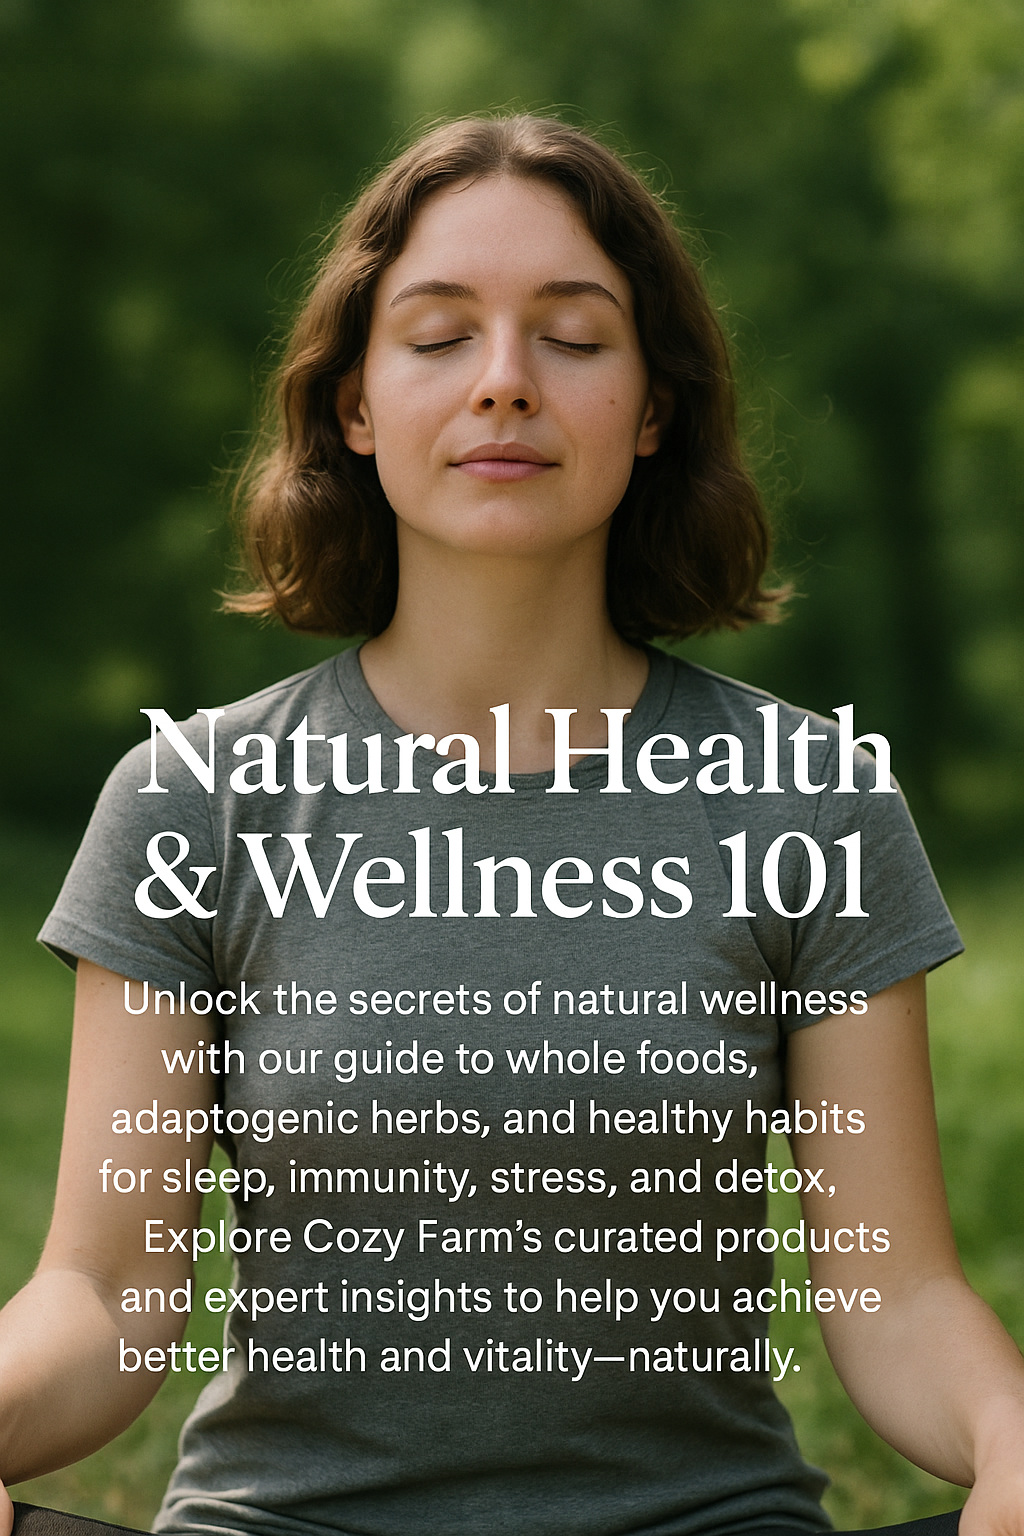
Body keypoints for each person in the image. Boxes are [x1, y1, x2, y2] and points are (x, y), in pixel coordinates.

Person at [2, 114, 1023, 1536]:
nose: (504, 385)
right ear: (353, 404)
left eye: (574, 337)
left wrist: (1012, 1441)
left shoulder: (812, 796)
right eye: (435, 336)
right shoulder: (192, 800)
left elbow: (897, 1293)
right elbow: (102, 1297)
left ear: (653, 406)